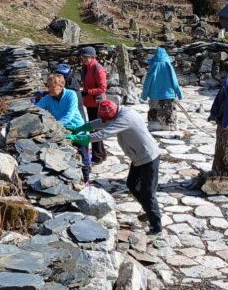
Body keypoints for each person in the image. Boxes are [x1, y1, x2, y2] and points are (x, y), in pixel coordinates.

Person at [68, 100, 162, 235]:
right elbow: (102, 122)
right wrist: (83, 127)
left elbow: (104, 133)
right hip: (138, 158)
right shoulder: (117, 112)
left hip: (149, 157)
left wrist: (79, 138)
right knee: (132, 185)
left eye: (107, 119)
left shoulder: (125, 118)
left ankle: (156, 227)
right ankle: (150, 211)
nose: (105, 121)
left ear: (112, 115)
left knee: (148, 192)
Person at [35, 73, 91, 184]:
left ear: (61, 86)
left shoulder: (71, 95)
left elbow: (69, 114)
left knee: (83, 154)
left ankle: (86, 180)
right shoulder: (48, 98)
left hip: (77, 128)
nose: (49, 89)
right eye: (48, 86)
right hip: (61, 129)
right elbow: (36, 109)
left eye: (52, 86)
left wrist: (55, 125)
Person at [141, 47, 183, 130]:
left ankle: (154, 126)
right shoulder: (169, 66)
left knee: (154, 112)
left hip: (154, 96)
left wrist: (144, 96)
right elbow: (175, 82)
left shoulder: (153, 67)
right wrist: (179, 94)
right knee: (169, 112)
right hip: (169, 95)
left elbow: (147, 83)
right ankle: (170, 126)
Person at [79, 46, 108, 163]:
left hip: (97, 103)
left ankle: (98, 157)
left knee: (95, 130)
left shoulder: (98, 69)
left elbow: (103, 88)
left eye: (86, 57)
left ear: (92, 56)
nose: (84, 59)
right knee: (95, 129)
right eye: (83, 57)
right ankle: (102, 154)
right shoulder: (86, 68)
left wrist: (88, 92)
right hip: (90, 102)